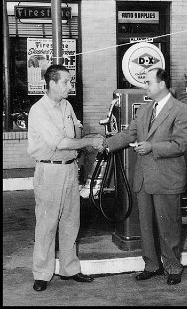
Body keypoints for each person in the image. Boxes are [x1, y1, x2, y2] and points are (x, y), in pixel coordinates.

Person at [105, 68, 187, 285]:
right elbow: (129, 134)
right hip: (144, 177)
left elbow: (180, 144)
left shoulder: (180, 110)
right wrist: (105, 145)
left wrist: (152, 146)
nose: (146, 87)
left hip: (166, 177)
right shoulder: (144, 110)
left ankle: (173, 267)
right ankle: (152, 265)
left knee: (168, 225)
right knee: (145, 225)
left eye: (149, 82)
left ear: (162, 84)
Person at [27, 64, 105, 292]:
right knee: (47, 223)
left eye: (70, 82)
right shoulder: (39, 110)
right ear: (52, 83)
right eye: (66, 82)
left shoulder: (66, 105)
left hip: (70, 169)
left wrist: (78, 148)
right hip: (49, 170)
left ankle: (70, 269)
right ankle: (42, 273)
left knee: (71, 221)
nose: (70, 86)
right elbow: (59, 142)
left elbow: (77, 128)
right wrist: (88, 142)